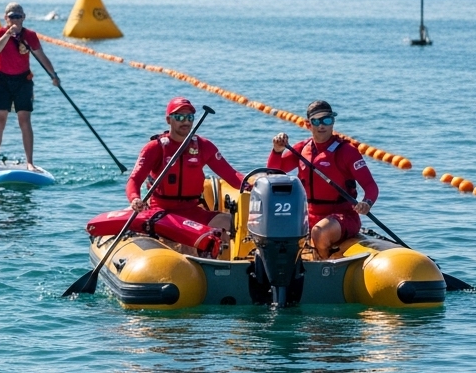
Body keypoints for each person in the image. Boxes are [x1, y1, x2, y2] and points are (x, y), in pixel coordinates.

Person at [121, 97, 245, 255]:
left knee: (230, 222)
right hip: (163, 212)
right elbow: (134, 180)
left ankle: (233, 266)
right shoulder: (155, 148)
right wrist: (135, 198)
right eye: (179, 117)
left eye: (189, 117)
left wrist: (252, 184)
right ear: (168, 120)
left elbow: (232, 176)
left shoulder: (204, 146)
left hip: (192, 210)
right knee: (187, 242)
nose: (185, 122)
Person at [268, 100, 378, 259]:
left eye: (327, 120)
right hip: (310, 216)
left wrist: (366, 203)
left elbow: (370, 185)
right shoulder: (302, 148)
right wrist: (277, 150)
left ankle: (323, 267)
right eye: (316, 121)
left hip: (343, 217)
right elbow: (275, 170)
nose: (322, 125)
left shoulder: (347, 152)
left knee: (319, 232)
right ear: (308, 124)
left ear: (333, 122)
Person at [0, 3, 62, 172]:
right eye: (11, 16)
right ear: (6, 18)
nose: (14, 20)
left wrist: (53, 75)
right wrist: (7, 35)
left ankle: (30, 162)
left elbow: (41, 56)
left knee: (24, 120)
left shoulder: (30, 36)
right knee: (0, 119)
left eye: (18, 16)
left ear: (23, 18)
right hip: (2, 80)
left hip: (23, 80)